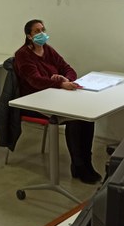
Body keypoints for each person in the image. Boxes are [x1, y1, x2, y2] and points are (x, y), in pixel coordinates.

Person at [14, 19, 102, 184]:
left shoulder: (48, 50)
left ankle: (86, 163)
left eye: (43, 29)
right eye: (37, 31)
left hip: (54, 96)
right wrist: (59, 84)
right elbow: (35, 80)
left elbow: (68, 68)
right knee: (74, 119)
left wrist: (66, 78)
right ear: (29, 36)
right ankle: (78, 165)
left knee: (86, 117)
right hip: (34, 101)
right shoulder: (22, 55)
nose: (42, 33)